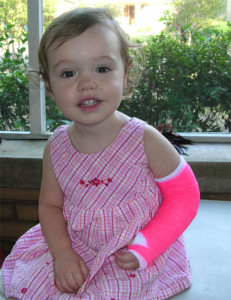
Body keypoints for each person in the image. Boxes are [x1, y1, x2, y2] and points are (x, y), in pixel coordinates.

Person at [1, 7, 200, 300]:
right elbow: (50, 208)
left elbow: (184, 195)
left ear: (126, 73)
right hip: (75, 247)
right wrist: (63, 254)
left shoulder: (143, 138)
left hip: (132, 253)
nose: (86, 83)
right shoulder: (56, 147)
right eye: (68, 73)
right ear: (50, 87)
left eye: (102, 69)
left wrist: (149, 245)